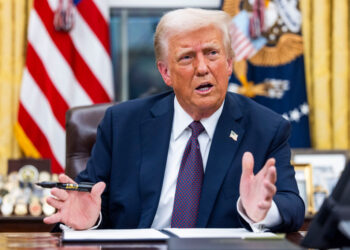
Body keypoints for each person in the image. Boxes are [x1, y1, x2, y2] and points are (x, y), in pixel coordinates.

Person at [44, 8, 304, 232]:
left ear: (229, 63)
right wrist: (90, 222)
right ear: (165, 72)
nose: (203, 68)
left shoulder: (266, 128)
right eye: (187, 57)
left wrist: (260, 210)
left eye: (212, 53)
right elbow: (88, 203)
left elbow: (292, 207)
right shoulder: (122, 125)